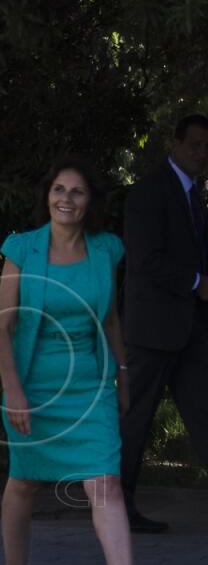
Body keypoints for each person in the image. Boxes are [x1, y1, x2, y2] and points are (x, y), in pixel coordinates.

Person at [0, 157, 160, 565]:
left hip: (90, 386)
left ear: (90, 202)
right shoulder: (23, 248)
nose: (66, 198)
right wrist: (12, 390)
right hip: (32, 384)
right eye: (59, 189)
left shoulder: (107, 249)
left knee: (105, 483)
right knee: (24, 481)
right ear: (47, 195)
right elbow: (3, 326)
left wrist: (123, 374)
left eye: (78, 191)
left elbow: (108, 319)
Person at [120, 114, 208, 534]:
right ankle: (116, 511)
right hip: (153, 329)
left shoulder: (196, 194)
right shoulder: (148, 193)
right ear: (174, 143)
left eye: (207, 148)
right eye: (195, 145)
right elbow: (145, 260)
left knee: (204, 413)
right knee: (135, 421)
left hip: (191, 328)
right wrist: (195, 283)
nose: (201, 154)